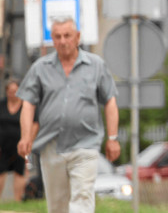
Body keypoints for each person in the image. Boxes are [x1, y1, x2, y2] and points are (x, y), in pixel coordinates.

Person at [16, 16, 120, 213]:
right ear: (52, 40)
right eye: (57, 36)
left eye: (67, 35)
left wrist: (113, 138)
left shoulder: (96, 65)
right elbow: (28, 103)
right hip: (51, 145)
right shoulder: (40, 68)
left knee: (82, 199)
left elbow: (110, 101)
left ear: (77, 37)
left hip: (85, 144)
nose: (63, 41)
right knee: (57, 206)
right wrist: (25, 136)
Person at [0, 79, 26, 200]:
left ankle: (18, 201)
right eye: (10, 91)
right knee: (1, 172)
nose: (13, 94)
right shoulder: (2, 104)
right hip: (2, 145)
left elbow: (34, 123)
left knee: (20, 172)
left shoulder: (26, 106)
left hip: (20, 144)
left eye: (15, 91)